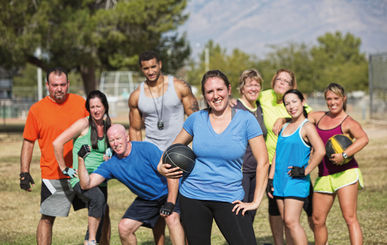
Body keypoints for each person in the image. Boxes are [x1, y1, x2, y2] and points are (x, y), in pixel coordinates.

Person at [158, 70, 269, 245]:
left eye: (220, 89)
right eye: (210, 92)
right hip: (193, 195)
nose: (216, 95)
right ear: (204, 95)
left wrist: (255, 201)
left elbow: (263, 161)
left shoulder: (246, 120)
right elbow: (172, 149)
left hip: (230, 197)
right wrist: (160, 166)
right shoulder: (195, 119)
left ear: (229, 89)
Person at [77, 124, 185, 245]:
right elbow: (86, 184)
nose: (115, 143)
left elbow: (171, 173)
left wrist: (170, 202)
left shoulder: (146, 149)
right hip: (148, 199)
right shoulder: (111, 164)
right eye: (112, 140)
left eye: (118, 138)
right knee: (124, 228)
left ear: (127, 137)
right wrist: (81, 159)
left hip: (170, 191)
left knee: (171, 218)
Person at [19, 67, 89, 245]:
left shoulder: (81, 103)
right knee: (47, 217)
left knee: (100, 210)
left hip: (83, 172)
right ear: (47, 85)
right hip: (54, 173)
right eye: (55, 85)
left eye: (63, 85)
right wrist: (24, 172)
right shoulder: (37, 110)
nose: (59, 89)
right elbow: (28, 141)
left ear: (68, 84)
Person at [258, 69, 314, 245]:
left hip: (296, 167)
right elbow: (247, 99)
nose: (281, 82)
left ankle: (321, 240)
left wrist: (284, 118)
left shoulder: (298, 109)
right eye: (279, 79)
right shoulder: (265, 96)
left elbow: (310, 120)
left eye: (286, 81)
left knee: (306, 212)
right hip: (275, 167)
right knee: (280, 215)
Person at [308, 83, 369, 245]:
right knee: (317, 220)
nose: (332, 102)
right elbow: (299, 118)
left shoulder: (349, 122)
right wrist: (282, 119)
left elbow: (363, 139)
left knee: (349, 218)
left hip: (346, 174)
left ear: (343, 99)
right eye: (329, 99)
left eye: (336, 98)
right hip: (324, 176)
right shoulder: (317, 116)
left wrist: (345, 154)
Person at [53, 90, 111, 245]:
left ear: (105, 107)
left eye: (98, 106)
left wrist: (110, 155)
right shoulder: (83, 124)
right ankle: (91, 241)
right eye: (92, 107)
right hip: (81, 179)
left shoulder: (108, 126)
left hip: (100, 179)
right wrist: (64, 168)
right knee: (98, 200)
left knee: (101, 212)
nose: (96, 110)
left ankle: (91, 240)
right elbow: (57, 143)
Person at [268, 89, 325, 245]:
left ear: (302, 102)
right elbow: (277, 155)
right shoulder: (284, 127)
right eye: (287, 103)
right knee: (287, 224)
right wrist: (270, 179)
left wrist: (305, 170)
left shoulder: (307, 127)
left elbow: (320, 151)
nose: (291, 106)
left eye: (294, 101)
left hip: (296, 180)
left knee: (291, 221)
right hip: (279, 181)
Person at [128, 50, 199, 151]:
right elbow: (135, 130)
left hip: (178, 150)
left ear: (160, 64)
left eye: (153, 67)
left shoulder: (179, 86)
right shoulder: (136, 95)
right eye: (146, 68)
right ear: (141, 69)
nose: (150, 72)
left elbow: (196, 120)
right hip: (151, 152)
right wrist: (138, 155)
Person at [233, 69, 267, 222]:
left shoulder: (260, 108)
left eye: (257, 85)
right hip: (241, 172)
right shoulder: (235, 109)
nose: (253, 88)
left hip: (258, 171)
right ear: (242, 88)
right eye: (249, 85)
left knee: (251, 214)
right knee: (239, 215)